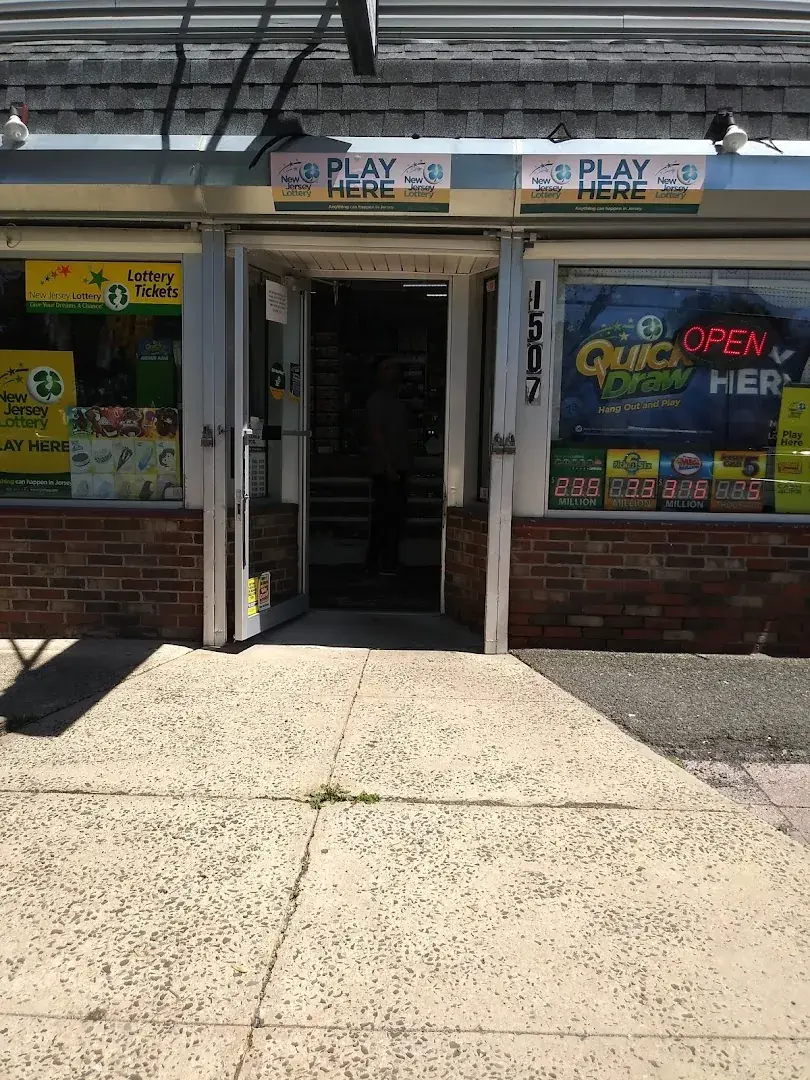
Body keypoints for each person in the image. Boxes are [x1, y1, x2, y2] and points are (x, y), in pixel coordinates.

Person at [366, 357, 411, 575]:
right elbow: (376, 435)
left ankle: (387, 560)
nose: (391, 371)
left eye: (393, 367)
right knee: (385, 517)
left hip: (398, 466)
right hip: (385, 470)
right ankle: (379, 562)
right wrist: (388, 465)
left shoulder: (397, 400)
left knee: (395, 518)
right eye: (386, 367)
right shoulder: (377, 401)